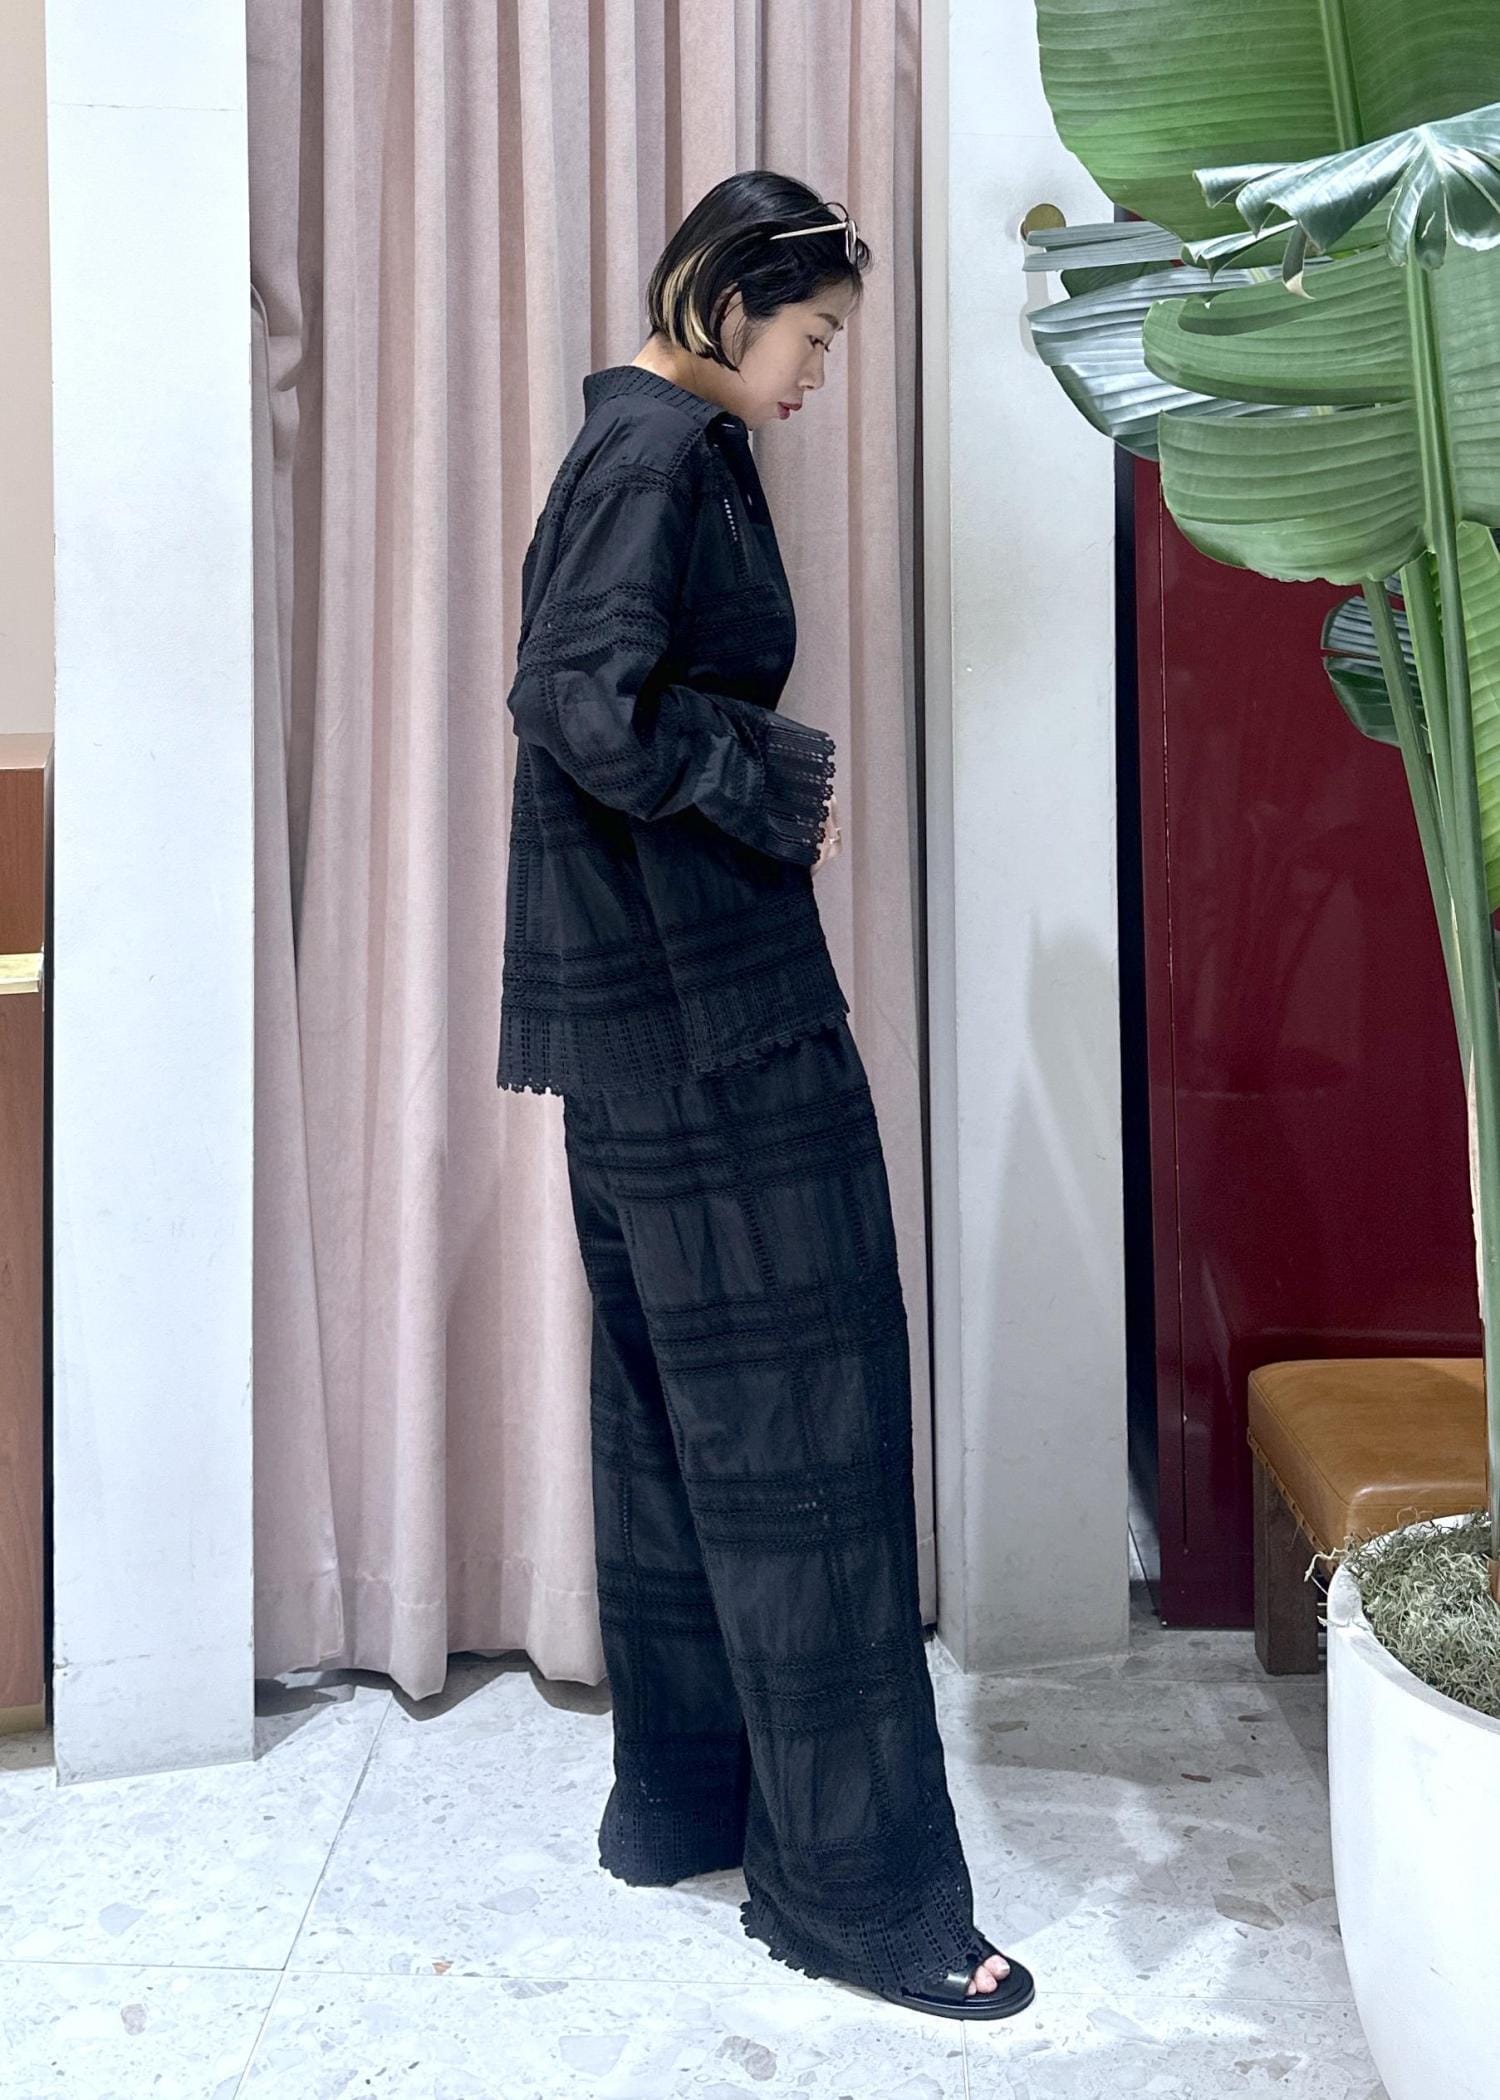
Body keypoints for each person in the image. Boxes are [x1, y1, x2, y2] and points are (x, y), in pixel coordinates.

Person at [497, 168, 1034, 2022]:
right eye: (810, 334)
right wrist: (762, 776)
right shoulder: (658, 454)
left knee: (683, 1418)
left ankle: (691, 1802)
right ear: (728, 301)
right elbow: (573, 700)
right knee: (810, 1426)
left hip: (652, 1015)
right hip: (705, 1009)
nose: (817, 371)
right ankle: (860, 1894)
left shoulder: (658, 439)